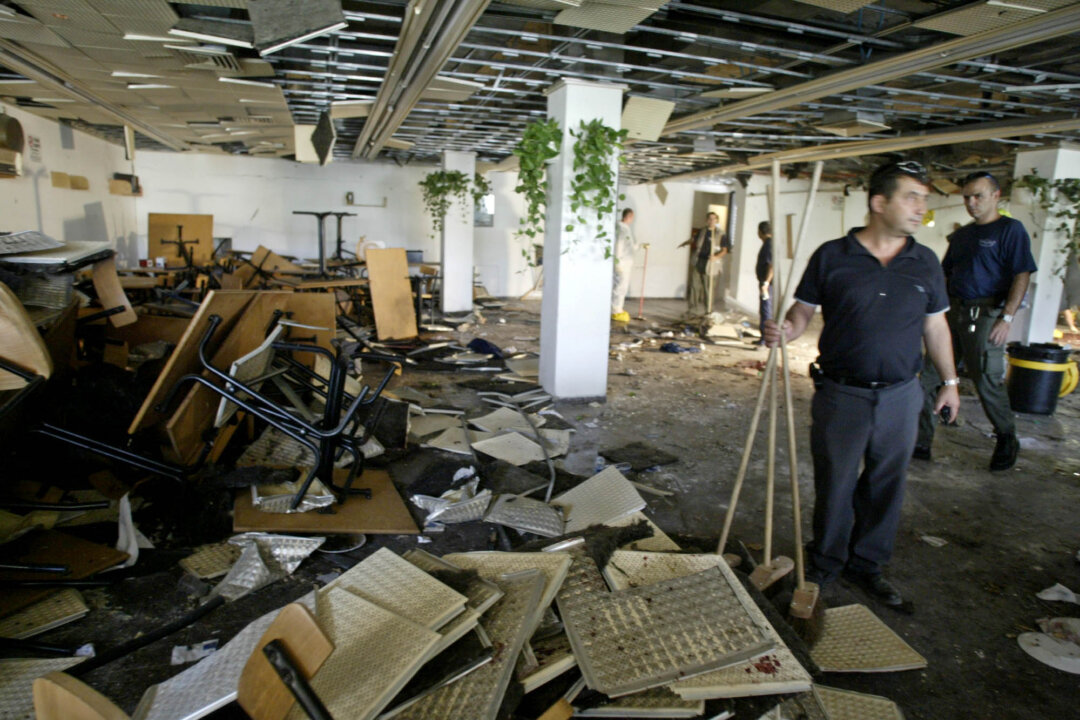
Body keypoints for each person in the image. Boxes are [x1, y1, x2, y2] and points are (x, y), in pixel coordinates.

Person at [763, 160, 961, 606]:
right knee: (835, 483)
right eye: (911, 196)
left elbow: (936, 328)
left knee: (886, 485)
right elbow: (802, 311)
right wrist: (787, 331)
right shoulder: (832, 256)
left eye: (924, 199)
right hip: (841, 393)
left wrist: (949, 381)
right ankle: (827, 562)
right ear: (878, 202)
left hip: (900, 394)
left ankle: (868, 565)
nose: (921, 207)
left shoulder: (925, 261)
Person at [914, 171, 1037, 471]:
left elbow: (1022, 274)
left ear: (996, 195)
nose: (971, 202)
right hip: (953, 310)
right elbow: (946, 274)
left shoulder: (1011, 230)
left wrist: (1006, 317)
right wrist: (935, 311)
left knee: (985, 379)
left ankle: (1007, 437)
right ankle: (921, 441)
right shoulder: (964, 235)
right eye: (967, 196)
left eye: (978, 195)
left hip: (985, 314)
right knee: (930, 376)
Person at [679, 211, 730, 315]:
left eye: (713, 219)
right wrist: (685, 243)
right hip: (699, 262)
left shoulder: (721, 234)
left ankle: (709, 311)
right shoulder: (702, 231)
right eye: (709, 219)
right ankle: (692, 309)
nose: (711, 221)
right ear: (706, 220)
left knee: (708, 288)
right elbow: (694, 239)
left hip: (711, 264)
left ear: (716, 220)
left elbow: (725, 250)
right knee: (694, 286)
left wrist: (716, 257)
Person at [611, 208, 637, 323]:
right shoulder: (621, 229)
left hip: (626, 263)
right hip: (622, 263)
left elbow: (628, 247)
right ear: (629, 216)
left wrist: (638, 246)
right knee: (619, 287)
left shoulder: (626, 229)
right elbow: (619, 246)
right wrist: (618, 263)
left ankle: (618, 308)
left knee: (622, 287)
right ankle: (615, 310)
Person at [756, 221, 774, 346]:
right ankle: (763, 337)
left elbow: (771, 265)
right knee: (764, 310)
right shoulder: (769, 244)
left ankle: (765, 339)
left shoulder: (769, 245)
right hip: (766, 282)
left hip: (767, 283)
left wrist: (766, 283)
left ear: (760, 232)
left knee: (766, 310)